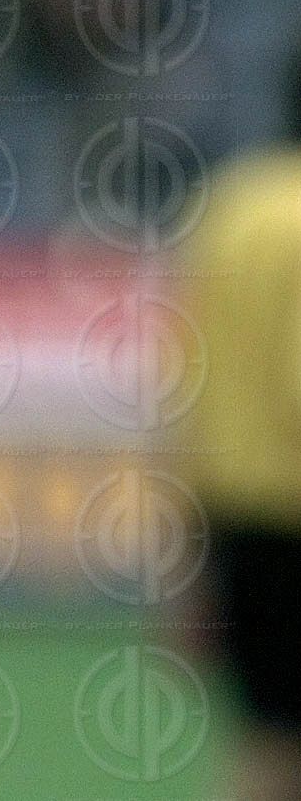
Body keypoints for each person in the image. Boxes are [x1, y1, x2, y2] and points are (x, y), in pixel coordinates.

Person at [180, 109, 301, 801]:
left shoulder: (230, 205)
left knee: (267, 746)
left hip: (235, 524)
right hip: (291, 511)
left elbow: (183, 388)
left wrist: (185, 563)